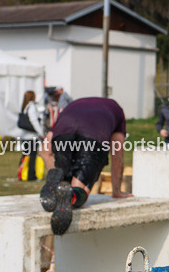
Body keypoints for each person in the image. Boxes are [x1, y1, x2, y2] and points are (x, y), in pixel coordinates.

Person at [39, 97, 133, 235]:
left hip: (64, 133)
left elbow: (44, 150)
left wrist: (52, 168)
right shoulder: (116, 110)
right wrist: (117, 190)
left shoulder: (72, 105)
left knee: (64, 175)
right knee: (80, 189)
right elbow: (117, 152)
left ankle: (56, 183)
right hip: (94, 134)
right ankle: (71, 196)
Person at [18, 90, 47, 180]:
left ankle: (21, 173)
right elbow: (34, 121)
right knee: (32, 156)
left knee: (25, 155)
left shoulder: (25, 106)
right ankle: (31, 176)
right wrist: (41, 133)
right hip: (31, 137)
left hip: (24, 136)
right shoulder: (32, 107)